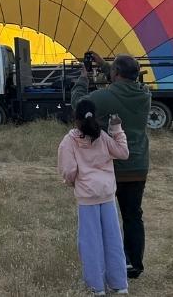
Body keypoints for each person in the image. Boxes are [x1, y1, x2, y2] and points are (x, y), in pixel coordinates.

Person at [71, 53, 152, 280]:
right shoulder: (145, 94)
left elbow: (80, 105)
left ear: (116, 74)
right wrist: (105, 65)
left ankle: (105, 263)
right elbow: (124, 79)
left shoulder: (106, 96)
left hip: (110, 168)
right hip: (138, 165)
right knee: (133, 215)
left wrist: (82, 80)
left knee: (104, 218)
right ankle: (134, 263)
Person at [58, 99, 131, 296]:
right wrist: (117, 128)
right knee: (113, 239)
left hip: (87, 197)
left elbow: (69, 171)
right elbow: (123, 153)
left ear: (76, 119)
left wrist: (72, 182)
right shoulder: (103, 136)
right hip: (107, 195)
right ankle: (119, 284)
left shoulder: (69, 140)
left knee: (90, 242)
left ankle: (96, 286)